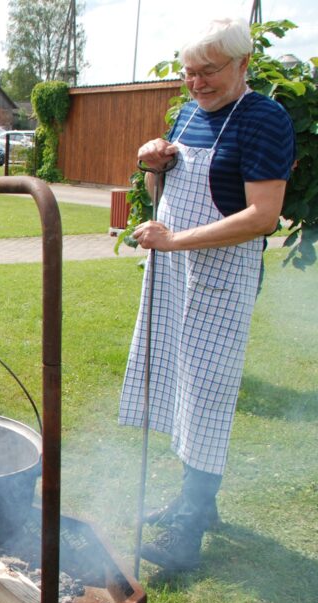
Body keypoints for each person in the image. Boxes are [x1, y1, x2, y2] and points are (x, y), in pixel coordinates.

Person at [118, 17, 295, 572]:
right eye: (189, 73)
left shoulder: (265, 118)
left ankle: (190, 532)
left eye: (208, 72)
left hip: (221, 274)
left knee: (209, 394)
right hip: (174, 269)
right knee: (177, 380)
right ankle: (196, 502)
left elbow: (263, 217)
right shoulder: (190, 113)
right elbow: (162, 194)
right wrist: (154, 167)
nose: (195, 83)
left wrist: (174, 241)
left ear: (243, 64)